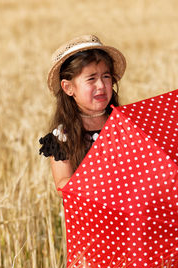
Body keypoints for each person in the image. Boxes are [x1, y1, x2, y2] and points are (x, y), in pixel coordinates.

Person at [39, 34, 126, 196]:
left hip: (130, 212)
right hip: (91, 216)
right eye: (91, 78)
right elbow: (62, 185)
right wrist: (99, 180)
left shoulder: (123, 125)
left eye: (106, 76)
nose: (101, 85)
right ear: (68, 88)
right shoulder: (62, 136)